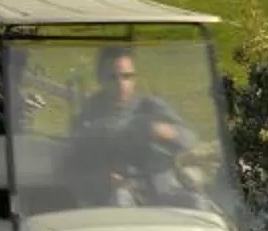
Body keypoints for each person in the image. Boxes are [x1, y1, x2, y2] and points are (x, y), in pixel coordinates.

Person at [75, 42, 194, 201]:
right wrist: (102, 175)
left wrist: (162, 130)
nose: (121, 84)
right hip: (117, 192)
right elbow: (76, 156)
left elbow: (189, 139)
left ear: (135, 78)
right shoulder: (90, 113)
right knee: (120, 198)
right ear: (100, 78)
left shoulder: (150, 105)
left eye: (127, 76)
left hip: (162, 190)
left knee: (198, 203)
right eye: (113, 77)